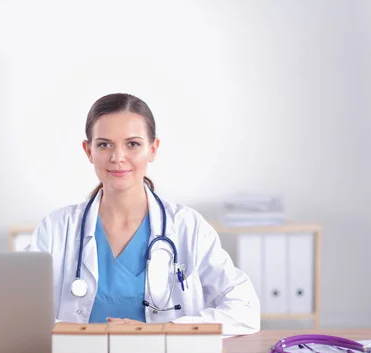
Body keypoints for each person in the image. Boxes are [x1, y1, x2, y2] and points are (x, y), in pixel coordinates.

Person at [26, 93, 260, 335]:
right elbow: (19, 310)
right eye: (104, 144)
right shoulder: (56, 229)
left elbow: (245, 309)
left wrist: (162, 330)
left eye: (133, 144)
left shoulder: (187, 227)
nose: (117, 157)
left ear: (153, 149)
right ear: (88, 151)